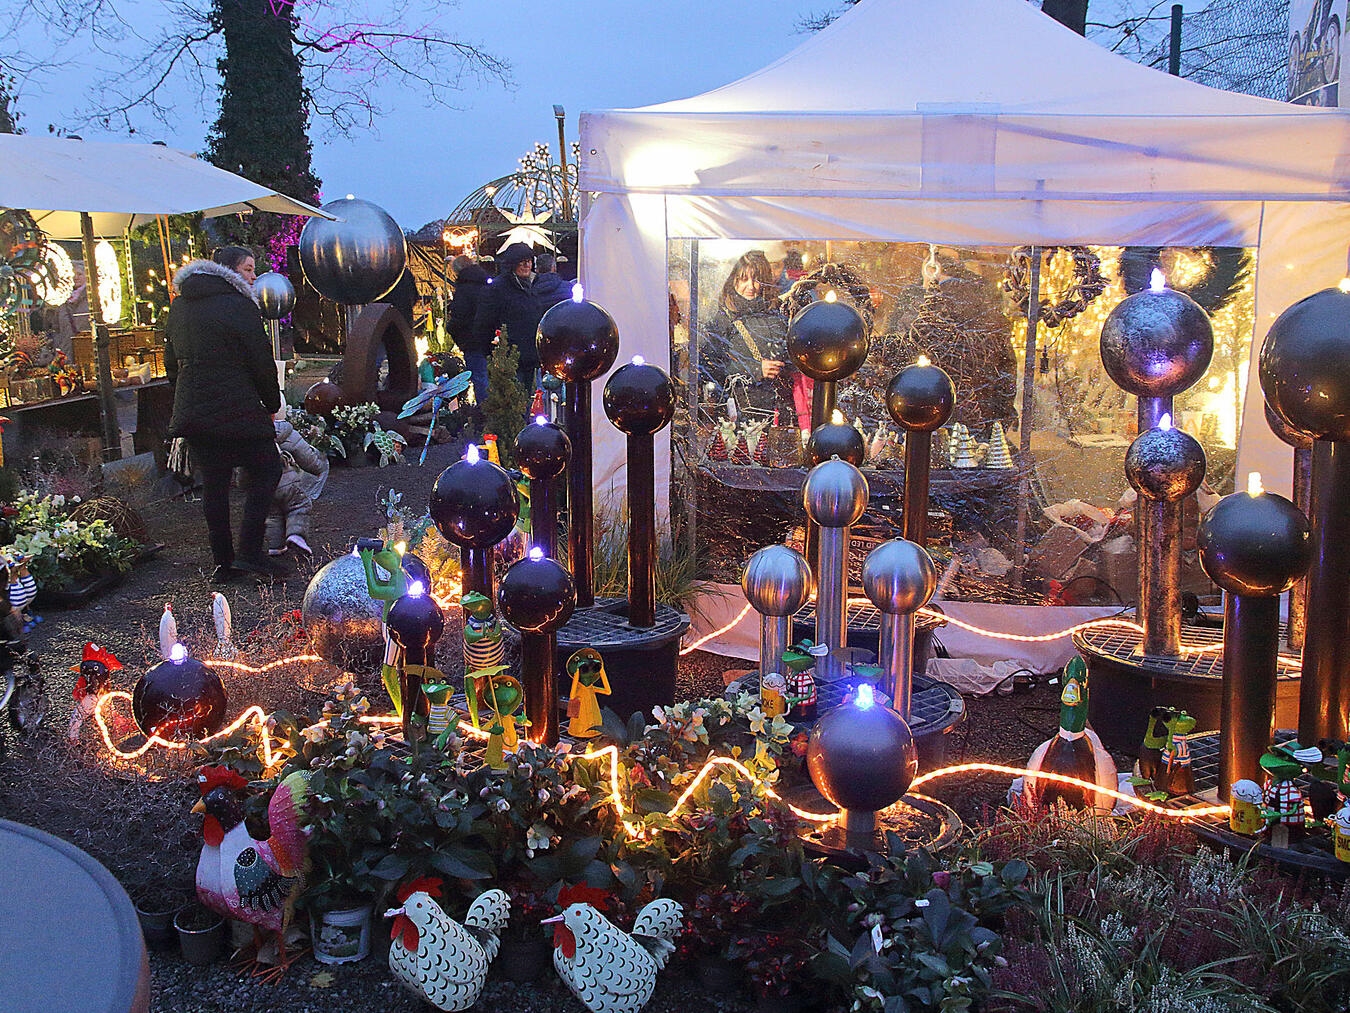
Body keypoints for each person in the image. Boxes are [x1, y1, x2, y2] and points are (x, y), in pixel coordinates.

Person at [165, 245, 284, 583]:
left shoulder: (179, 307)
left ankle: (223, 563)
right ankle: (249, 551)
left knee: (214, 486)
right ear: (231, 272)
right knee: (267, 469)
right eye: (248, 269)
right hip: (240, 409)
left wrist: (186, 395)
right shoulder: (240, 305)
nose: (253, 276)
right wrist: (272, 403)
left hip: (196, 413)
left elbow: (171, 363)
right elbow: (260, 361)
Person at [702, 250, 794, 418]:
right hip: (740, 410)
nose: (751, 286)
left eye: (756, 279)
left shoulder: (776, 312)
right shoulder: (724, 318)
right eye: (744, 279)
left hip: (779, 406)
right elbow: (709, 366)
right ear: (734, 280)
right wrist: (755, 369)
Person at [471, 242, 556, 392]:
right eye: (521, 262)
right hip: (508, 361)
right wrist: (495, 353)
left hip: (531, 358)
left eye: (529, 261)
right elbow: (483, 325)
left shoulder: (532, 286)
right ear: (512, 264)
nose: (526, 265)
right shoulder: (497, 290)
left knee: (528, 402)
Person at [267, 410, 329, 559]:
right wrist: (318, 468)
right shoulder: (285, 432)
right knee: (299, 505)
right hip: (286, 481)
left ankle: (275, 546)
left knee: (272, 514)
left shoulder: (249, 435)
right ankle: (296, 535)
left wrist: (244, 484)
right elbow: (304, 455)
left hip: (263, 486)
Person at [447, 254, 490, 404]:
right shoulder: (486, 285)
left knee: (480, 379)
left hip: (471, 342)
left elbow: (459, 317)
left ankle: (485, 414)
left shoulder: (463, 289)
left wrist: (451, 329)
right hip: (489, 339)